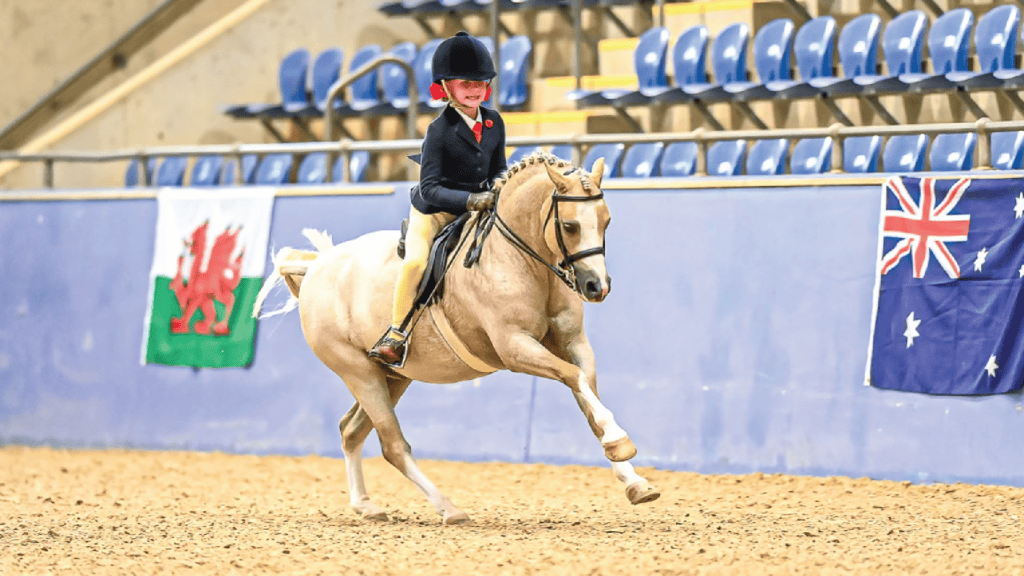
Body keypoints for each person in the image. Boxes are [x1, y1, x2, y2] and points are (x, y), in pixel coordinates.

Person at [368, 31, 508, 366]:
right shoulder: (439, 131)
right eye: (464, 83)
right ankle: (396, 333)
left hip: (479, 209)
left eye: (480, 82)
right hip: (435, 212)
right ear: (446, 87)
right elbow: (429, 188)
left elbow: (499, 167)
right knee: (416, 262)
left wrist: (502, 184)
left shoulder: (494, 122)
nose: (474, 89)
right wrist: (473, 200)